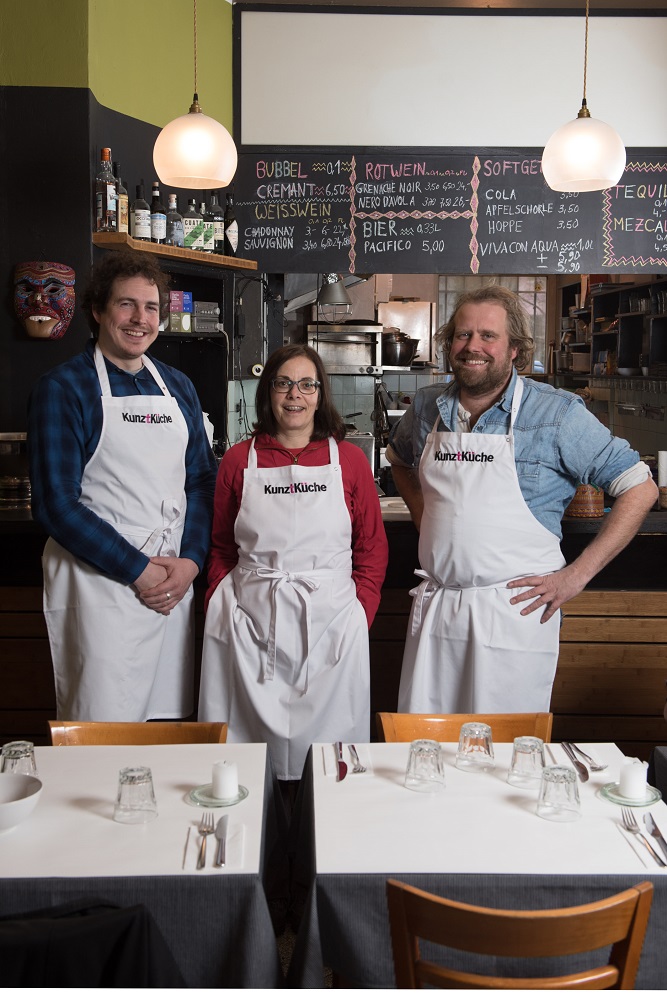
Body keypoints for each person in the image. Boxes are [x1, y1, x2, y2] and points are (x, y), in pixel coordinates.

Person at [387, 285, 657, 715]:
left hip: (514, 614)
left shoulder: (556, 413)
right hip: (439, 609)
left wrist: (575, 577)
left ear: (514, 348)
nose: (472, 346)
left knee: (505, 757)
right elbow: (400, 461)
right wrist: (425, 517)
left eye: (487, 336)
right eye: (462, 335)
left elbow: (640, 487)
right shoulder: (426, 406)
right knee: (425, 750)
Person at [28, 250, 217, 721]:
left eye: (151, 308)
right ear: (97, 311)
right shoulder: (64, 388)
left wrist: (191, 563)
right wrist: (139, 570)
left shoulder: (179, 387)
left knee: (165, 728)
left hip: (171, 586)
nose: (140, 319)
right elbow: (55, 506)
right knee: (102, 732)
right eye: (126, 305)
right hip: (102, 587)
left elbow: (200, 481)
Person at [199, 344, 388, 782]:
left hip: (333, 628)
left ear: (321, 395)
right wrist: (218, 603)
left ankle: (323, 841)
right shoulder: (237, 460)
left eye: (307, 384)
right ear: (268, 392)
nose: (294, 395)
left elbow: (372, 548)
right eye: (284, 384)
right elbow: (222, 547)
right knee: (245, 764)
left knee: (327, 763)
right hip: (248, 625)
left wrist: (359, 613)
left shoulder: (350, 461)